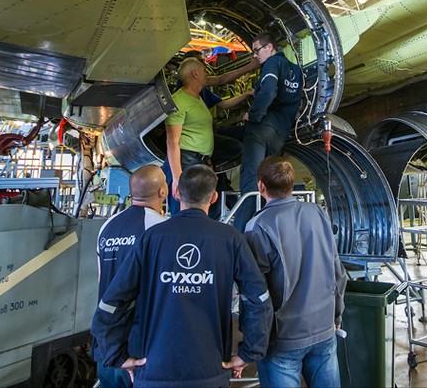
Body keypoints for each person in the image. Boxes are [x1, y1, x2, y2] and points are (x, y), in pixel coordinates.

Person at [91, 164, 272, 387]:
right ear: (214, 197)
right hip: (210, 370)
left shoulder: (151, 238)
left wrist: (115, 354)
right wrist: (249, 352)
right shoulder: (230, 239)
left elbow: (112, 300)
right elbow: (258, 298)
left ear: (176, 193)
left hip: (154, 370)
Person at [244, 157, 347, 388]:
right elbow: (337, 270)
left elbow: (254, 293)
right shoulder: (318, 213)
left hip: (283, 339)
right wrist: (337, 315)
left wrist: (252, 344)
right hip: (324, 329)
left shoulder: (258, 226)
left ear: (261, 186)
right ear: (292, 184)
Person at [93, 165, 168, 388]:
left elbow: (102, 280)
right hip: (141, 346)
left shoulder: (107, 227)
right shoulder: (161, 228)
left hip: (108, 344)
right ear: (162, 192)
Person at [229, 33, 303, 230]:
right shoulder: (296, 71)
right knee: (271, 184)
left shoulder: (272, 64)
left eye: (256, 50)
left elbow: (269, 91)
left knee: (250, 183)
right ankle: (269, 228)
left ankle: (241, 235)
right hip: (279, 134)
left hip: (260, 129)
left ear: (269, 47)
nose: (255, 56)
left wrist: (253, 115)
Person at [165, 56, 253, 218]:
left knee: (204, 213)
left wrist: (208, 160)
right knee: (184, 214)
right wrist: (178, 178)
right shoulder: (179, 101)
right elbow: (172, 142)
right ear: (195, 74)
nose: (207, 74)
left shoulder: (198, 99)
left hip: (199, 161)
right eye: (204, 71)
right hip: (186, 162)